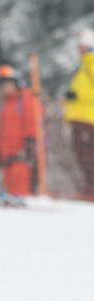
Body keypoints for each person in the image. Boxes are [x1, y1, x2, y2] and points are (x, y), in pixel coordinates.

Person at [0, 65, 39, 206]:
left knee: (20, 176)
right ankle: (11, 200)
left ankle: (21, 199)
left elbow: (32, 119)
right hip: (6, 150)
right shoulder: (6, 104)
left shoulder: (25, 98)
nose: (5, 88)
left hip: (21, 148)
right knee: (8, 178)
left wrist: (30, 139)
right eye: (3, 86)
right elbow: (0, 129)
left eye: (8, 85)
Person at [64, 28, 94, 200]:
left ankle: (91, 188)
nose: (79, 48)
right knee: (81, 153)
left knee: (88, 154)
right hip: (78, 117)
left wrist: (77, 96)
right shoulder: (83, 65)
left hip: (89, 117)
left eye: (82, 45)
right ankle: (88, 187)